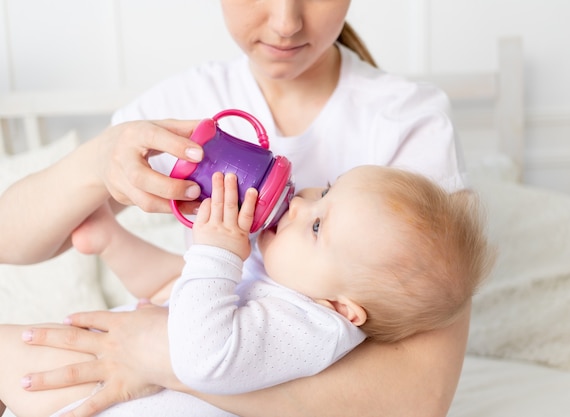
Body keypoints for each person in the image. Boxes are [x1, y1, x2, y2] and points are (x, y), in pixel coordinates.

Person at [0, 1, 471, 416]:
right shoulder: (185, 102)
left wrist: (156, 356)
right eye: (324, 191)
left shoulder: (409, 119)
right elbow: (10, 238)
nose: (286, 22)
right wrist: (98, 162)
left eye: (318, 224)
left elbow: (419, 400)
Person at [0, 165, 493, 417]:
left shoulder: (310, 328)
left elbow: (198, 356)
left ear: (343, 308)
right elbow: (175, 291)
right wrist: (115, 241)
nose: (298, 205)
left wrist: (216, 252)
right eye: (324, 190)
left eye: (318, 227)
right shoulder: (288, 290)